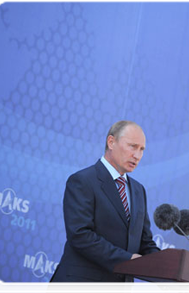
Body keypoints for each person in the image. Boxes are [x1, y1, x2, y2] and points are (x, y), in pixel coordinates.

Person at [47, 121, 160, 293]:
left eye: (142, 149)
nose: (137, 155)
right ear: (111, 142)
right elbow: (80, 235)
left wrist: (168, 269)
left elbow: (145, 242)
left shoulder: (138, 190)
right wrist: (128, 260)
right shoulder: (83, 181)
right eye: (132, 146)